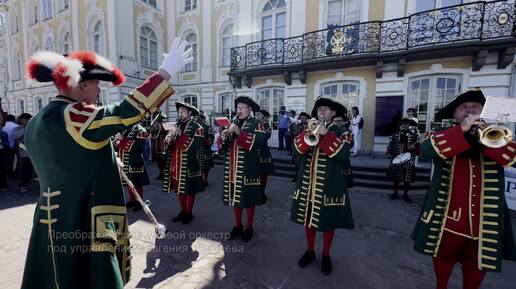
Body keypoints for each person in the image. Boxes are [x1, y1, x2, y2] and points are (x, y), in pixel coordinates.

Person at [20, 37, 193, 289]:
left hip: (51, 215)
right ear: (80, 84)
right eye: (96, 84)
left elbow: (69, 159)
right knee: (94, 276)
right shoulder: (73, 113)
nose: (99, 91)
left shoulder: (37, 120)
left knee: (56, 275)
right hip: (85, 215)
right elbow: (125, 113)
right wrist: (164, 72)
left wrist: (107, 160)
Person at [412, 89, 516, 289]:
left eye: (475, 107)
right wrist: (463, 131)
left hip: (485, 222)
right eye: (464, 108)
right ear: (455, 115)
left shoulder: (498, 136)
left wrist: (487, 137)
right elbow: (426, 149)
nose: (470, 111)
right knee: (442, 258)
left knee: (477, 265)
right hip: (448, 219)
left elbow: (511, 158)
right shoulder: (442, 135)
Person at [292, 98, 354, 275]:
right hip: (307, 184)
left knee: (328, 221)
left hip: (330, 185)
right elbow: (296, 149)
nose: (321, 113)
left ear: (333, 113)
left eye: (325, 109)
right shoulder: (307, 130)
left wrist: (326, 134)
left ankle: (326, 254)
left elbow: (343, 155)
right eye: (319, 110)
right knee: (308, 217)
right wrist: (309, 135)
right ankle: (310, 250)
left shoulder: (343, 132)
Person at [221, 96, 266, 243]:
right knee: (235, 198)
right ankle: (237, 225)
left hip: (248, 168)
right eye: (238, 107)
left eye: (242, 107)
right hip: (232, 168)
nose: (239, 110)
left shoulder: (257, 123)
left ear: (249, 109)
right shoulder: (233, 123)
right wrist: (224, 137)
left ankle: (249, 227)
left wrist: (240, 133)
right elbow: (228, 146)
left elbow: (259, 143)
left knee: (249, 199)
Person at [162, 102, 205, 225]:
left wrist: (180, 134)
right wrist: (168, 140)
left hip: (190, 164)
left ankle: (189, 213)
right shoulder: (176, 125)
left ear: (190, 113)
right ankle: (182, 211)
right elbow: (170, 147)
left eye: (183, 111)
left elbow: (193, 146)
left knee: (189, 190)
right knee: (179, 190)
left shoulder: (198, 128)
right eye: (179, 112)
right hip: (176, 163)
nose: (180, 114)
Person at [117, 123, 150, 212]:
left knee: (136, 183)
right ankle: (132, 200)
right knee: (128, 182)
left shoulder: (142, 131)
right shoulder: (127, 128)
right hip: (124, 160)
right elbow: (121, 144)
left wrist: (122, 140)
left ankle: (139, 202)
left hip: (135, 162)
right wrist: (117, 143)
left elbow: (135, 147)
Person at [386, 118, 420, 202]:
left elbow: (418, 150)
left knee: (407, 178)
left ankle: (405, 194)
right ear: (400, 125)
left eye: (406, 124)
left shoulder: (414, 136)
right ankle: (395, 193)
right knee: (396, 178)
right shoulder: (394, 135)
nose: (404, 125)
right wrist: (389, 154)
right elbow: (390, 146)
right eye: (402, 123)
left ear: (409, 125)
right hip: (396, 159)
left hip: (409, 160)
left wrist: (414, 147)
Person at [332, 106, 354, 189]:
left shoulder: (347, 132)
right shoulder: (329, 131)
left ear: (343, 122)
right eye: (335, 121)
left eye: (340, 121)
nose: (337, 122)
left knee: (344, 182)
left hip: (343, 160)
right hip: (332, 160)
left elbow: (350, 145)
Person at [255, 109, 274, 198]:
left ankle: (262, 192)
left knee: (263, 174)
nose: (257, 115)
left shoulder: (267, 126)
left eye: (259, 114)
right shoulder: (254, 124)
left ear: (263, 116)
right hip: (254, 152)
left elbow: (266, 137)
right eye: (256, 114)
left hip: (263, 152)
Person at [13, 113, 34, 192]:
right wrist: (26, 129)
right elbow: (15, 136)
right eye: (26, 120)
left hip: (34, 151)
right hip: (24, 152)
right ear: (22, 120)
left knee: (32, 168)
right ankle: (22, 185)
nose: (27, 121)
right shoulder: (17, 128)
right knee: (26, 169)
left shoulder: (32, 127)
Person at [290, 112, 309, 182]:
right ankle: (296, 177)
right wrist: (294, 124)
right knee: (296, 163)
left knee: (304, 163)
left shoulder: (309, 125)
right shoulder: (298, 125)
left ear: (307, 118)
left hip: (306, 147)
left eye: (303, 118)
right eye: (301, 118)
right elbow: (294, 133)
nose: (302, 119)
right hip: (297, 146)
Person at [196, 113, 214, 187]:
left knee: (206, 167)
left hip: (205, 150)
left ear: (203, 120)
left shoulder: (207, 128)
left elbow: (211, 139)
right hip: (197, 151)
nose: (198, 120)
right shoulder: (195, 127)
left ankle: (205, 180)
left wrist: (203, 140)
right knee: (197, 167)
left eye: (199, 119)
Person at [150, 111, 168, 180]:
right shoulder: (156, 124)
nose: (155, 118)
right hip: (157, 146)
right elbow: (153, 134)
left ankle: (165, 174)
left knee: (164, 162)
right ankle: (161, 173)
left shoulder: (163, 124)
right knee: (159, 161)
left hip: (163, 146)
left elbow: (164, 133)